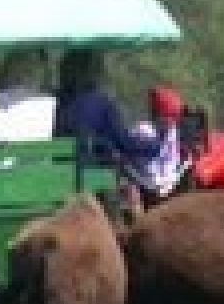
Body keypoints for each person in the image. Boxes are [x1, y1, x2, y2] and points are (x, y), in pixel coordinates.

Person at [54, 50, 160, 214]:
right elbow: (125, 143)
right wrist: (155, 146)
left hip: (61, 174)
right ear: (93, 72)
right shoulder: (101, 103)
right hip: (93, 177)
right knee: (134, 192)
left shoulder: (58, 102)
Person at [131, 84, 189, 203]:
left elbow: (171, 163)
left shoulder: (172, 132)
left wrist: (169, 181)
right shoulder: (144, 130)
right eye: (169, 117)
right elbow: (145, 169)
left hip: (158, 185)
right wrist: (161, 184)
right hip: (134, 177)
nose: (172, 123)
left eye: (174, 119)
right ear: (157, 115)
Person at [0, 49, 56, 142]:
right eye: (23, 62)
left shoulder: (52, 102)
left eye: (35, 63)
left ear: (44, 68)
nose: (29, 67)